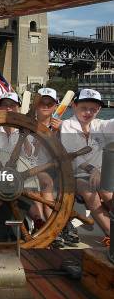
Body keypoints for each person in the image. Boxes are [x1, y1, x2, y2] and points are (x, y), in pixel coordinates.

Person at [60, 89, 113, 247]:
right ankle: (110, 233)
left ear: (99, 110)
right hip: (74, 176)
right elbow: (71, 154)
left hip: (100, 175)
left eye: (93, 109)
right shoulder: (67, 125)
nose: (88, 112)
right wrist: (92, 170)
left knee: (109, 195)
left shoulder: (101, 125)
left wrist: (99, 172)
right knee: (91, 195)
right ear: (74, 106)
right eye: (84, 108)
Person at [32, 88, 76, 247]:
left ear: (55, 106)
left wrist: (56, 133)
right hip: (30, 168)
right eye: (41, 102)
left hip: (52, 168)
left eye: (49, 103)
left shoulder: (62, 127)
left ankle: (54, 224)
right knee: (44, 183)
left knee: (50, 182)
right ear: (35, 105)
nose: (45, 105)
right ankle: (51, 225)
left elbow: (66, 152)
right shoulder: (25, 123)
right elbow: (28, 152)